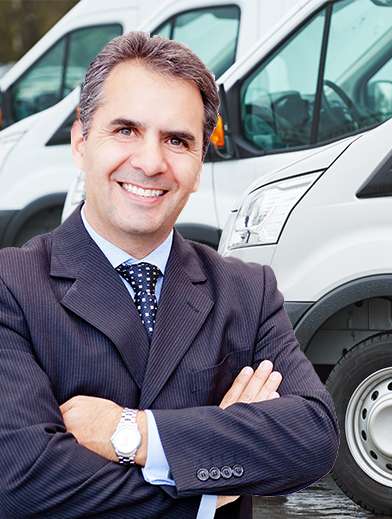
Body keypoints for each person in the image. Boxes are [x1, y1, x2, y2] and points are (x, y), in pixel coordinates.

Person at [0, 32, 339, 519]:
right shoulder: (12, 286)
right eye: (125, 130)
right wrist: (208, 482)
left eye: (177, 140)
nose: (151, 162)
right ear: (81, 141)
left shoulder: (247, 291)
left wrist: (131, 433)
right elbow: (22, 482)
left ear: (200, 163)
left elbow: (312, 438)